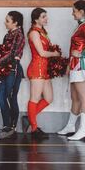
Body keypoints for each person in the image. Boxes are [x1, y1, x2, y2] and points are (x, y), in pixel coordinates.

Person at [58, 0, 85, 141]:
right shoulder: (80, 26)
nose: (72, 13)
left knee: (83, 97)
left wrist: (82, 54)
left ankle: (84, 129)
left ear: (81, 12)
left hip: (82, 65)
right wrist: (69, 64)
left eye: (74, 10)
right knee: (75, 97)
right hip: (75, 65)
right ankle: (70, 126)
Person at [22, 8, 60, 140]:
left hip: (45, 69)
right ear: (36, 19)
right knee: (34, 98)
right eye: (43, 17)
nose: (46, 19)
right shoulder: (34, 32)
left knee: (49, 98)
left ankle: (29, 118)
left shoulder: (43, 32)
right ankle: (34, 128)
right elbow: (42, 53)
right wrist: (55, 54)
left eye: (46, 16)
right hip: (37, 68)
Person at [0, 11, 25, 140]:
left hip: (13, 70)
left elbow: (12, 54)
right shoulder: (7, 35)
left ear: (15, 23)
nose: (5, 23)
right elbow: (7, 53)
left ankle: (12, 126)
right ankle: (6, 125)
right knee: (1, 97)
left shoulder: (19, 35)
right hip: (4, 69)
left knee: (11, 97)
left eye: (7, 21)